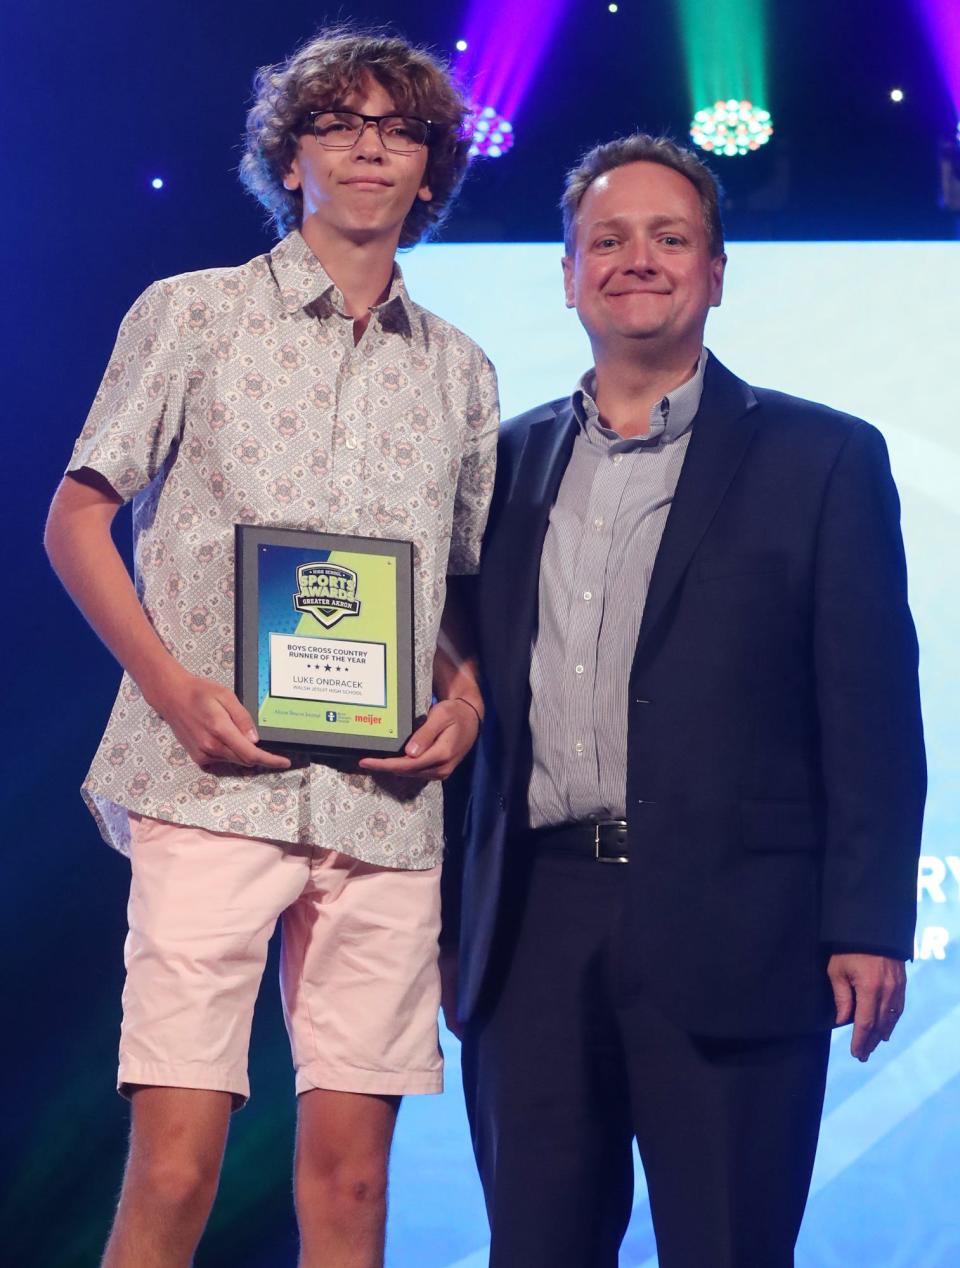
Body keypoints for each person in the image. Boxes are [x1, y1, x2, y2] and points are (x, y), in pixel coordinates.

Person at [44, 28, 497, 1268]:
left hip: (382, 807)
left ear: (429, 169)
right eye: (338, 124)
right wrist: (173, 687)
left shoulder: (462, 371)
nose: (368, 147)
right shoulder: (192, 313)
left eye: (398, 129)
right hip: (210, 782)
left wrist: (462, 698)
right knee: (178, 1164)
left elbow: (450, 595)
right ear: (288, 156)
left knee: (351, 1187)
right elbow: (76, 514)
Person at [441, 134, 925, 1268]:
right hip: (531, 929)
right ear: (566, 276)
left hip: (742, 927)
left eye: (670, 238)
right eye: (606, 240)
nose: (636, 260)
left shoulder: (825, 458)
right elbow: (464, 700)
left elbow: (871, 712)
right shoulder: (497, 468)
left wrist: (864, 921)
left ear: (716, 271)